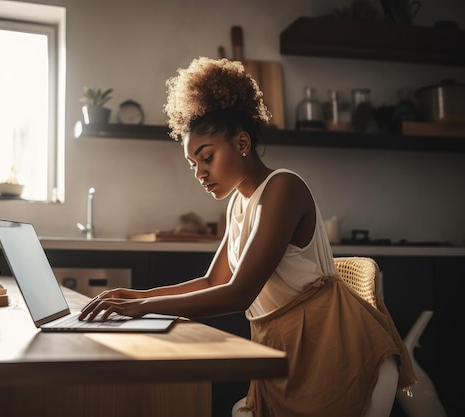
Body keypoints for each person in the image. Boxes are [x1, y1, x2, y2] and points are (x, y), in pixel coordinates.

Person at [79, 57, 416, 417]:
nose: (199, 173)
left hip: (333, 348)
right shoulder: (239, 202)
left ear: (242, 143)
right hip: (284, 352)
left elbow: (239, 293)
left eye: (206, 157)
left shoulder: (283, 188)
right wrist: (137, 296)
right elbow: (214, 280)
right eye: (193, 164)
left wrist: (143, 307)